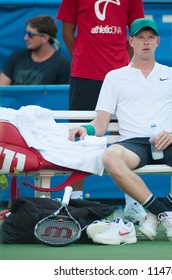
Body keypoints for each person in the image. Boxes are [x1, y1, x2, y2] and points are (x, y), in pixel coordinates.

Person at [69, 18, 172, 242]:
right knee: (110, 157)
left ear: (158, 42)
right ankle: (165, 214)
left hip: (170, 142)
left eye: (150, 37)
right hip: (134, 145)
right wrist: (85, 129)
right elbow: (100, 124)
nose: (145, 42)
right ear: (131, 41)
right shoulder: (114, 77)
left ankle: (156, 214)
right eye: (140, 37)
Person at [56, 0, 146, 222]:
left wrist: (121, 62)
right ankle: (75, 200)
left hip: (121, 75)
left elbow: (136, 32)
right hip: (85, 75)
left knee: (126, 136)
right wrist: (83, 56)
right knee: (79, 135)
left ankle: (133, 202)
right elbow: (67, 33)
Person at [0, 14, 70, 85]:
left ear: (44, 38)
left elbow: (63, 95)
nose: (25, 38)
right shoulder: (16, 57)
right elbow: (2, 90)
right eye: (26, 33)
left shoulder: (63, 65)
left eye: (30, 34)